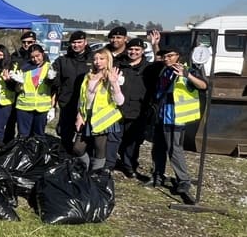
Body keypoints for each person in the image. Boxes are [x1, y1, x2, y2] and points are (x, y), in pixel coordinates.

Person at [146, 44, 207, 203]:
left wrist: (187, 75)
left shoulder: (188, 70)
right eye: (165, 56)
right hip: (161, 115)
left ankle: (184, 181)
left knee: (175, 150)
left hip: (176, 117)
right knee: (158, 148)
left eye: (170, 56)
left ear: (178, 55)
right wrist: (154, 45)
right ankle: (157, 176)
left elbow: (204, 85)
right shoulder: (164, 70)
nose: (167, 59)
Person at [75, 48, 124, 172]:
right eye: (95, 59)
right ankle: (85, 169)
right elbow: (82, 98)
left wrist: (114, 83)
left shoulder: (111, 77)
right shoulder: (88, 76)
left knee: (99, 149)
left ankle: (95, 174)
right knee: (78, 148)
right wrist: (79, 115)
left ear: (108, 60)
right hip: (87, 116)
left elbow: (120, 101)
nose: (97, 62)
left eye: (101, 59)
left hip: (102, 119)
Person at [114, 38, 152, 179]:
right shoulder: (119, 65)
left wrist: (155, 44)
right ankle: (113, 162)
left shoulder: (148, 68)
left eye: (137, 50)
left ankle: (129, 166)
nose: (133, 52)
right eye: (131, 49)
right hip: (117, 109)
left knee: (133, 141)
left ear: (142, 51)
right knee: (115, 139)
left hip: (138, 110)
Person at [52, 30, 94, 153]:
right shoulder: (62, 60)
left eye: (79, 42)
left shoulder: (93, 59)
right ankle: (65, 156)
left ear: (85, 42)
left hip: (88, 105)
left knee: (85, 135)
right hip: (67, 103)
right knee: (65, 134)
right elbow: (56, 83)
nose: (76, 45)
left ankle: (83, 157)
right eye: (73, 43)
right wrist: (51, 77)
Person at [8, 44, 55, 137]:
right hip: (24, 107)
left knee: (39, 135)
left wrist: (52, 107)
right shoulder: (24, 68)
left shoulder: (50, 67)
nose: (35, 59)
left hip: (42, 107)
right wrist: (18, 83)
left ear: (43, 54)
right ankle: (24, 151)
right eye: (32, 57)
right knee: (23, 135)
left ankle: (37, 151)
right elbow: (17, 89)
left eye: (38, 56)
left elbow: (54, 89)